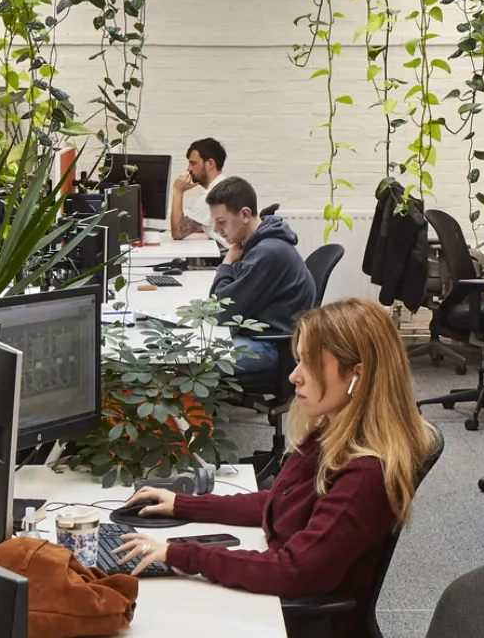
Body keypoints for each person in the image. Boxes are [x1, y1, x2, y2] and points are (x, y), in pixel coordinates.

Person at [114, 299, 436, 635]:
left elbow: (295, 571)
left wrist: (180, 554)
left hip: (297, 624)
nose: (294, 376)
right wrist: (182, 504)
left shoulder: (365, 475)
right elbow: (279, 501)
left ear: (356, 376)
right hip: (281, 605)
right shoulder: (334, 432)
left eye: (309, 364)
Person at [206, 175, 318, 380]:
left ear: (245, 215)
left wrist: (226, 263)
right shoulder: (259, 242)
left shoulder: (266, 253)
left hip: (273, 346)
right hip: (261, 333)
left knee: (195, 360)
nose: (216, 230)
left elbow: (218, 311)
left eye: (221, 222)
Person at [171, 138, 227, 240]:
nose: (189, 168)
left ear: (210, 164)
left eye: (193, 163)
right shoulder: (224, 186)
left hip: (227, 255)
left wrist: (178, 191)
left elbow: (177, 233)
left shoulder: (212, 196)